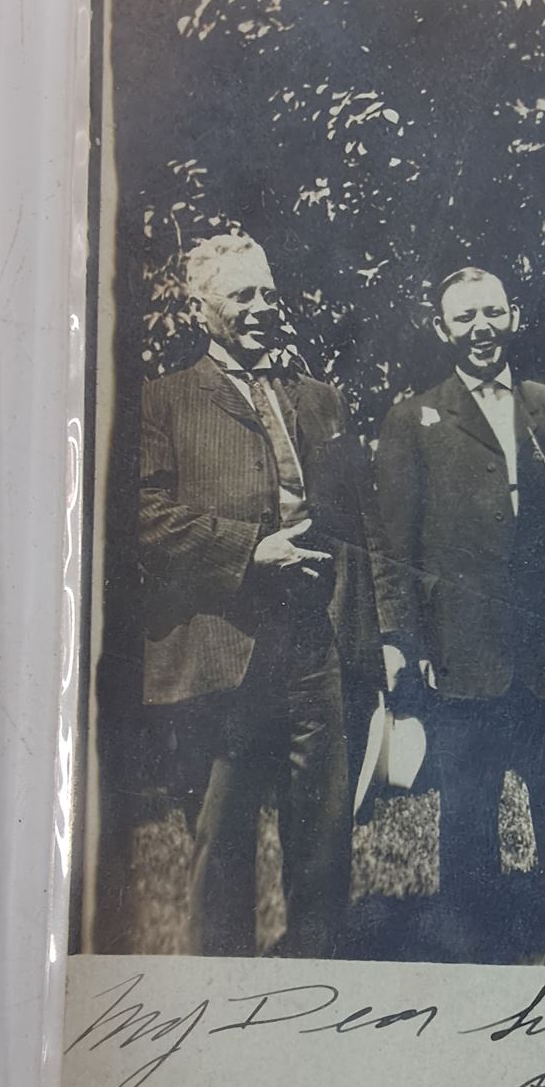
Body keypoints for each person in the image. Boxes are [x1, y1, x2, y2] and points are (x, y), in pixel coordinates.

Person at [138, 232, 378, 957]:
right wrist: (248, 551)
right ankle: (222, 989)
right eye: (241, 295)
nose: (261, 308)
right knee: (224, 830)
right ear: (199, 309)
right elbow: (143, 519)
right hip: (226, 641)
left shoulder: (318, 399)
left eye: (268, 293)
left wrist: (369, 643)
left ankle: (318, 973)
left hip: (315, 637)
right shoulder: (163, 402)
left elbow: (357, 524)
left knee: (324, 830)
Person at [373, 266, 545, 959]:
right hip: (460, 652)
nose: (480, 329)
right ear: (443, 329)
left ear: (513, 316)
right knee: (467, 809)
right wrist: (403, 640)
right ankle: (472, 951)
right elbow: (395, 547)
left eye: (491, 313)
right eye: (464, 317)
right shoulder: (413, 420)